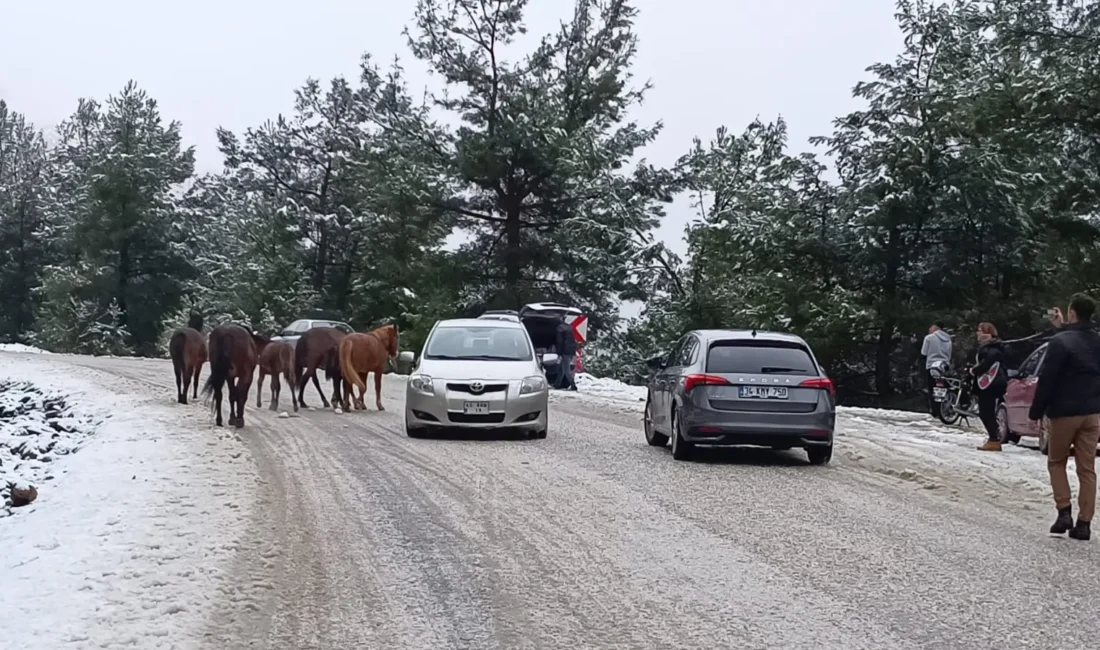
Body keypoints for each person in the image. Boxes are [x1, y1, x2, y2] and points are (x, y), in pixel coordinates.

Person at [1029, 293, 1100, 541]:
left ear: (1071, 313)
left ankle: (1064, 512)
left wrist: (1036, 412)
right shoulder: (1097, 341)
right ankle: (1084, 524)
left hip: (1064, 412)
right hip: (1092, 413)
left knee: (1056, 461)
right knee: (1087, 468)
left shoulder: (1060, 342)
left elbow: (1048, 379)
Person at [971, 322, 1008, 452]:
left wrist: (974, 370)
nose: (978, 333)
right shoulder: (990, 347)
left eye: (980, 331)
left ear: (988, 333)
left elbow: (987, 363)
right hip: (989, 383)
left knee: (986, 412)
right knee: (986, 412)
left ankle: (994, 439)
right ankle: (993, 437)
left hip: (991, 384)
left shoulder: (993, 349)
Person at [920, 321, 953, 413]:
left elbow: (924, 353)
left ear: (935, 327)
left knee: (932, 388)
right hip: (944, 366)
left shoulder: (929, 338)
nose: (929, 329)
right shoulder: (948, 339)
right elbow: (949, 355)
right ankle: (944, 409)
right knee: (943, 387)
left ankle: (934, 410)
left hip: (932, 365)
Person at [555, 316, 578, 391]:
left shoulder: (560, 328)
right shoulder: (569, 327)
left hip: (565, 351)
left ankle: (573, 385)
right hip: (571, 350)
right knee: (561, 368)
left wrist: (559, 352)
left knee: (566, 369)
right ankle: (557, 384)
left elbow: (560, 341)